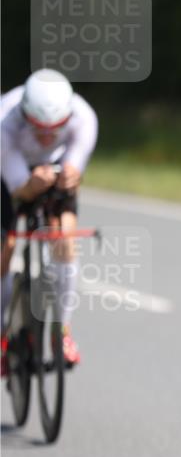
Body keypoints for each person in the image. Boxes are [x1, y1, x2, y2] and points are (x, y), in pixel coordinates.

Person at [0, 68, 97, 375]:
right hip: (9, 172)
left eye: (55, 128)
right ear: (26, 116)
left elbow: (75, 167)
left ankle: (62, 332)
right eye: (39, 128)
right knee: (6, 247)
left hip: (53, 166)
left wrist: (70, 176)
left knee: (64, 240)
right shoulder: (5, 121)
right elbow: (18, 190)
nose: (46, 135)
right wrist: (29, 186)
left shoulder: (84, 117)